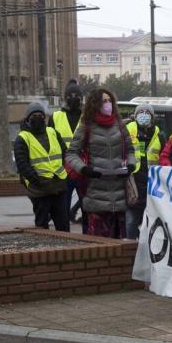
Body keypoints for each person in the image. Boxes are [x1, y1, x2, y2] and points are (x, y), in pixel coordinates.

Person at [66, 88, 135, 239]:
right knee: (99, 244)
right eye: (104, 101)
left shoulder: (120, 125)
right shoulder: (86, 125)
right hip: (95, 194)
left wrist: (131, 164)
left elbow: (130, 150)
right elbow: (71, 154)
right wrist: (84, 170)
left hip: (119, 195)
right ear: (95, 104)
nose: (108, 104)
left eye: (110, 100)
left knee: (120, 245)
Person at [14, 102, 70, 232]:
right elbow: (22, 164)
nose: (38, 117)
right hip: (39, 190)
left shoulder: (52, 132)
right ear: (28, 118)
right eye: (34, 115)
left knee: (63, 226)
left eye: (41, 115)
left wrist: (64, 172)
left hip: (58, 186)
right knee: (42, 227)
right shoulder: (23, 138)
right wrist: (37, 181)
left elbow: (64, 152)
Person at [50, 80, 87, 233]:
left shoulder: (87, 116)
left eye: (77, 95)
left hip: (83, 168)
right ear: (65, 98)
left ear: (81, 98)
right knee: (62, 208)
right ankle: (65, 238)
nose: (74, 98)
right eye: (70, 95)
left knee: (87, 207)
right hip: (63, 170)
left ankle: (88, 237)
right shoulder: (55, 117)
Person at [125, 104, 166, 239]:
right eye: (140, 112)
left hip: (151, 184)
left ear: (152, 117)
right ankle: (130, 248)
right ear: (135, 116)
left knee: (149, 224)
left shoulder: (159, 135)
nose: (144, 114)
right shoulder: (128, 130)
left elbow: (164, 158)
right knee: (131, 222)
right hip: (133, 182)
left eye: (147, 112)